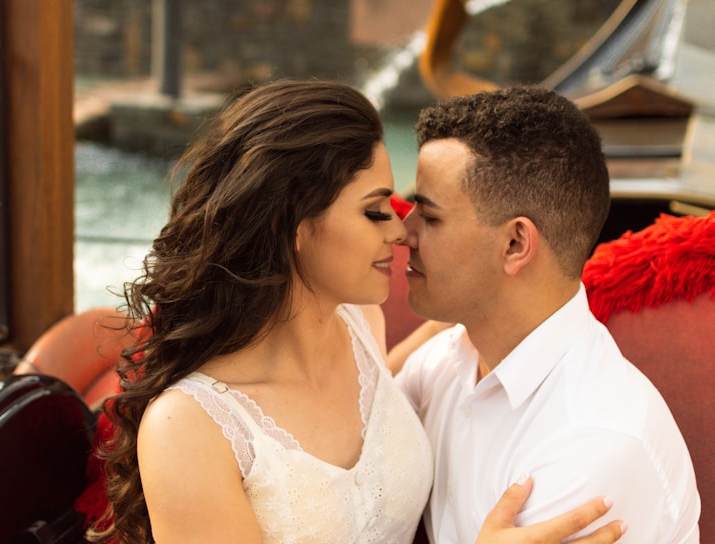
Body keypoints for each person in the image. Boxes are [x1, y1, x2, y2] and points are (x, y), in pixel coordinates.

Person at [83, 79, 625, 544]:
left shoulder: (364, 327)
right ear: (288, 225)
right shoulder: (188, 428)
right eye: (374, 211)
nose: (400, 230)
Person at [394, 85, 701, 543]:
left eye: (430, 217)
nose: (404, 233)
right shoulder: (448, 359)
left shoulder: (594, 442)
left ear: (516, 244)